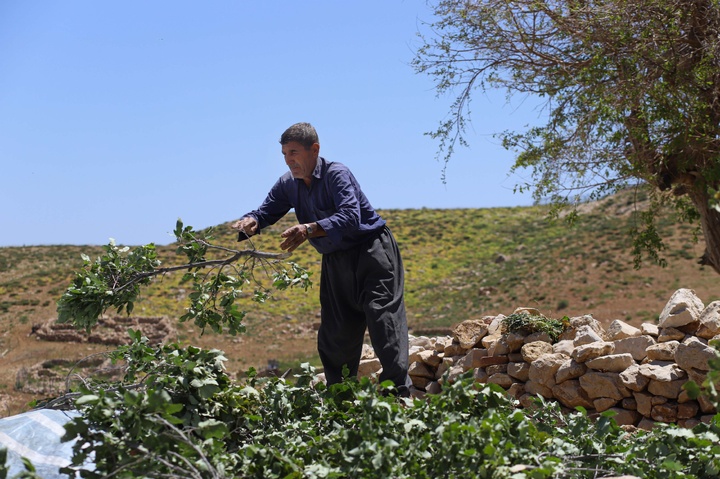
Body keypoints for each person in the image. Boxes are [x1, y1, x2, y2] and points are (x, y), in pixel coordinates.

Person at [231, 122, 412, 397]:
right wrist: (253, 221)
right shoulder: (287, 184)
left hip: (372, 252)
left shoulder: (336, 174)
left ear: (314, 149)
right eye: (284, 154)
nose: (289, 160)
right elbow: (266, 210)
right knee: (335, 336)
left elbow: (351, 216)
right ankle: (341, 403)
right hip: (335, 261)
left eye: (293, 152)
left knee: (382, 322)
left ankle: (398, 398)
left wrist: (308, 229)